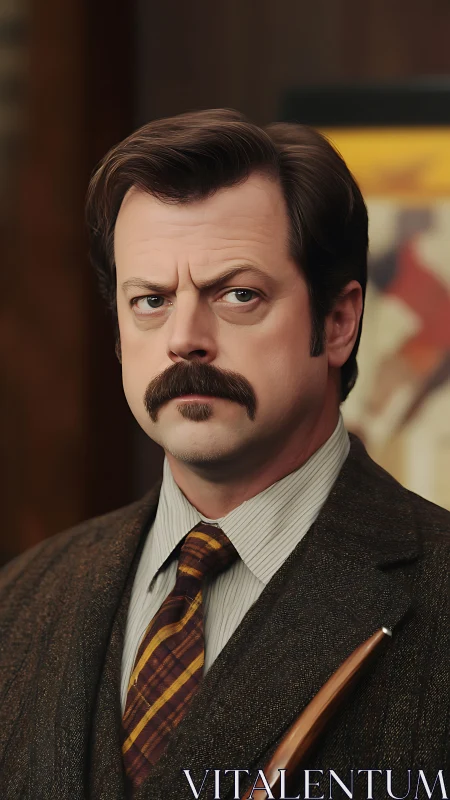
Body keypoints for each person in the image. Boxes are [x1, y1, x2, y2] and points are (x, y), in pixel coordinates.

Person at [0, 109, 448, 800]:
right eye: (149, 300)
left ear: (338, 322)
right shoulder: (21, 600)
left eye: (238, 295)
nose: (185, 338)